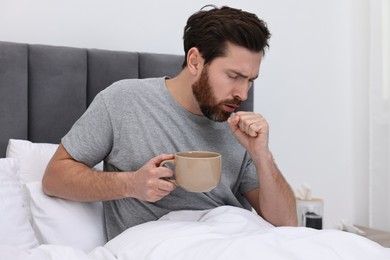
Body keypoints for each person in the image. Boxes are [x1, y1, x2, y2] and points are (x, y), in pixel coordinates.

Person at [42, 5, 297, 240]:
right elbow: (54, 178)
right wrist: (131, 185)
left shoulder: (239, 129)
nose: (243, 93)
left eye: (250, 80)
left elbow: (287, 225)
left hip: (232, 243)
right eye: (234, 76)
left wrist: (262, 155)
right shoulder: (123, 101)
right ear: (195, 61)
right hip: (157, 245)